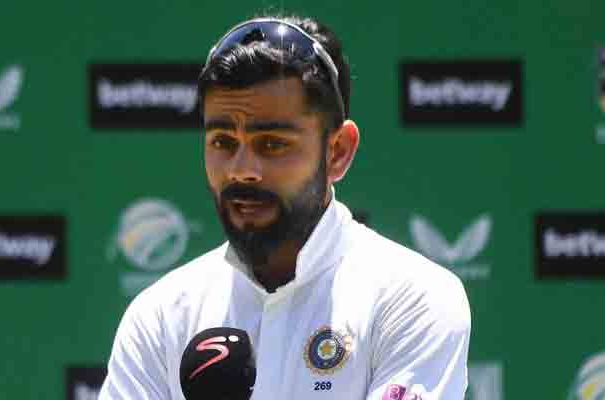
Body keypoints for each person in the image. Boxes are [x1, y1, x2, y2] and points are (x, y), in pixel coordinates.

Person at [99, 14, 471, 400]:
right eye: (223, 142)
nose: (241, 170)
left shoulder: (413, 299)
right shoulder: (160, 316)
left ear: (338, 152)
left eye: (272, 144)